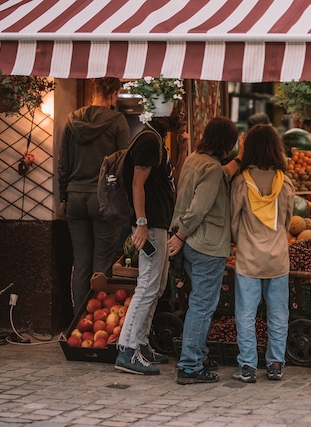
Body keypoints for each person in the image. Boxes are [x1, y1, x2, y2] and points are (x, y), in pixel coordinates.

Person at [167, 117, 244, 385]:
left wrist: (180, 235)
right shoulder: (212, 168)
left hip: (191, 245)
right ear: (227, 143)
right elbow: (199, 207)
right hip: (206, 244)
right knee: (202, 306)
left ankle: (197, 354)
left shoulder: (193, 160)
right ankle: (189, 366)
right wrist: (181, 234)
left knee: (196, 303)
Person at [57, 77, 131, 315]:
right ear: (112, 93)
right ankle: (98, 317)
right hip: (104, 200)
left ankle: (78, 320)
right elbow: (124, 163)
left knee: (81, 262)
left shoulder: (71, 120)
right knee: (102, 263)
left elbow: (63, 165)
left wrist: (63, 198)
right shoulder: (117, 121)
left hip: (76, 198)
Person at [114, 114, 179, 375]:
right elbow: (137, 183)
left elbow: (164, 181)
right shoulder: (150, 140)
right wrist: (141, 223)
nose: (180, 115)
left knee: (157, 285)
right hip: (150, 225)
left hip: (157, 223)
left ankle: (140, 343)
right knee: (147, 285)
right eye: (176, 109)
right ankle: (128, 349)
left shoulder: (156, 139)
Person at [230, 124, 295, 383]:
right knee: (278, 313)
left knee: (246, 313)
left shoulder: (240, 182)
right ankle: (276, 363)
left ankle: (247, 366)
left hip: (248, 258)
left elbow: (233, 222)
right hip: (278, 258)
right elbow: (288, 221)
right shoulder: (285, 182)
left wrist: (241, 239)